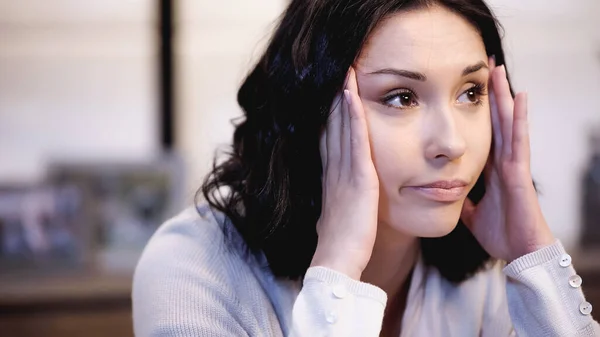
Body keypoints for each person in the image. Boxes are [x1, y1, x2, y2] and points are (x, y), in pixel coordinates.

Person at [132, 0, 600, 336]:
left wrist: (534, 254)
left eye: (471, 92)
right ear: (312, 112)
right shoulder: (195, 270)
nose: (452, 144)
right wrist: (337, 271)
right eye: (401, 97)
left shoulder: (484, 276)